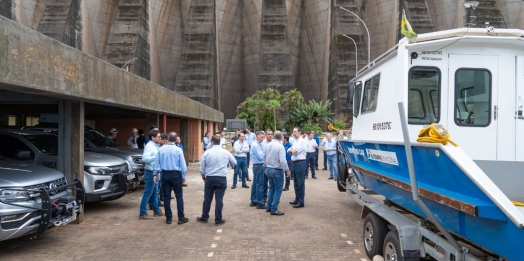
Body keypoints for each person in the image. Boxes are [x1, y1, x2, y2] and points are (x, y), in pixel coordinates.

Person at [197, 135, 237, 226]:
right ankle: (218, 219)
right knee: (219, 199)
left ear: (212, 142)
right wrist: (227, 165)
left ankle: (205, 216)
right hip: (221, 178)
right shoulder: (225, 152)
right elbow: (234, 162)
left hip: (210, 178)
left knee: (207, 198)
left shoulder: (207, 153)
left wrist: (203, 177)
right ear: (220, 142)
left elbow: (202, 167)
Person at [155, 132, 188, 225]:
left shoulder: (161, 149)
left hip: (165, 174)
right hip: (176, 174)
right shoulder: (178, 150)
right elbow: (183, 165)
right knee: (179, 197)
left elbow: (156, 162)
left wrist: (154, 173)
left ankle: (168, 218)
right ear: (175, 139)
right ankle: (181, 217)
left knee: (166, 197)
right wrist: (183, 176)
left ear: (168, 139)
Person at [139, 129, 164, 220]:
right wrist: (156, 156)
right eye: (158, 137)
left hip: (155, 172)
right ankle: (142, 213)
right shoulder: (149, 146)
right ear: (152, 137)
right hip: (150, 172)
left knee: (155, 192)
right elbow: (145, 159)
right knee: (148, 193)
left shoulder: (155, 146)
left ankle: (156, 210)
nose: (160, 138)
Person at [264, 131, 290, 215]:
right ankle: (274, 208)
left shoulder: (267, 145)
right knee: (278, 189)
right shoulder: (280, 146)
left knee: (271, 188)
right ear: (281, 137)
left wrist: (265, 167)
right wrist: (287, 170)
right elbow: (282, 160)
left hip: (269, 168)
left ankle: (269, 206)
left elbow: (264, 157)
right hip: (277, 170)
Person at [287, 127, 307, 208]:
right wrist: (292, 150)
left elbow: (295, 152)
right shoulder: (296, 141)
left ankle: (301, 201)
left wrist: (291, 151)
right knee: (295, 182)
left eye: (295, 131)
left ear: (299, 132)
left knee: (300, 183)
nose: (294, 133)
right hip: (295, 163)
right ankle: (297, 198)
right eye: (293, 131)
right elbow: (289, 150)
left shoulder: (302, 141)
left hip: (300, 163)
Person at [249, 131, 266, 209]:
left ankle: (254, 200)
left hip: (257, 166)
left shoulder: (258, 144)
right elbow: (260, 156)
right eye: (262, 137)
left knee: (256, 184)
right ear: (257, 137)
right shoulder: (255, 145)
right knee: (260, 184)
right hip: (259, 165)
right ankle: (260, 202)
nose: (263, 139)